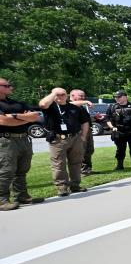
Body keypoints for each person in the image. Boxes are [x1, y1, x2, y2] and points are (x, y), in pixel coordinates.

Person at [0, 76, 44, 210]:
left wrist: (14, 116)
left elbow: (36, 116)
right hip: (6, 140)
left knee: (22, 169)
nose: (11, 87)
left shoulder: (17, 103)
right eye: (7, 85)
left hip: (24, 138)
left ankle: (21, 196)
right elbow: (2, 121)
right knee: (6, 170)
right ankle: (2, 200)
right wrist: (26, 118)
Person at [38, 87, 89, 196]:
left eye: (63, 94)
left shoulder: (74, 107)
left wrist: (83, 136)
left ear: (67, 95)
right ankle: (62, 187)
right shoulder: (50, 107)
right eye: (58, 95)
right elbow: (42, 104)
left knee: (76, 163)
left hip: (75, 138)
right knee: (58, 164)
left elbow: (84, 122)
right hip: (57, 139)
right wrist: (53, 93)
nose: (60, 96)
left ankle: (75, 185)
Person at [69, 89, 95, 176]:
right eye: (81, 96)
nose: (83, 98)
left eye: (84, 96)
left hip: (88, 131)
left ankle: (87, 169)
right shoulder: (68, 105)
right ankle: (79, 171)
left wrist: (96, 118)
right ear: (72, 96)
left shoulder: (81, 107)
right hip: (79, 132)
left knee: (89, 150)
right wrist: (86, 101)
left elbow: (85, 120)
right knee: (80, 152)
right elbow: (70, 104)